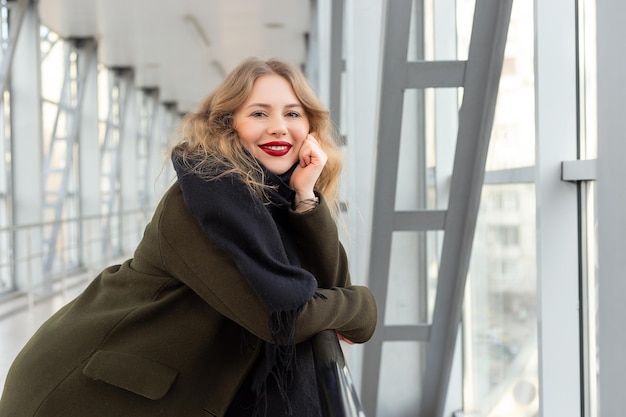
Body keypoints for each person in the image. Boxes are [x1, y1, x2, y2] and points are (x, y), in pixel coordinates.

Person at [0, 57, 377, 417]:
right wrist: (363, 303)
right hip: (85, 393)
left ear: (310, 128)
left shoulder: (277, 197)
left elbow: (328, 286)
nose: (279, 127)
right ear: (230, 125)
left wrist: (306, 199)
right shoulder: (205, 199)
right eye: (259, 113)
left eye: (292, 113)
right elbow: (284, 318)